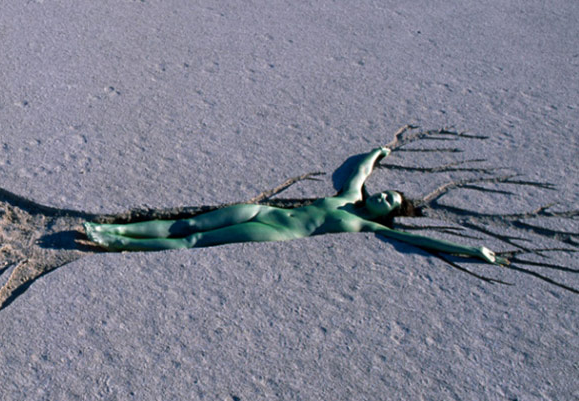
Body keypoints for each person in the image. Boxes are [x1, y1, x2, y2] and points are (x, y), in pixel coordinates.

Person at [84, 146, 506, 265]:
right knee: (188, 223)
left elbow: (425, 244)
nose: (382, 196)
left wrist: (476, 252)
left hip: (274, 231)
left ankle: (117, 244)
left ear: (388, 214)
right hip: (263, 212)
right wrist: (380, 152)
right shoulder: (349, 197)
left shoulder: (367, 226)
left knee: (193, 240)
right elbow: (359, 171)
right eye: (386, 192)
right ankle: (117, 230)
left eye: (388, 202)